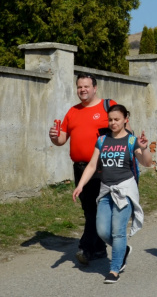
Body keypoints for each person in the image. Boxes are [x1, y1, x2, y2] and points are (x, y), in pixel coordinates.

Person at [72, 104, 153, 284]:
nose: (113, 123)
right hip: (106, 190)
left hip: (124, 191)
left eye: (117, 119)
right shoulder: (102, 140)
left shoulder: (132, 141)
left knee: (118, 231)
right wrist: (81, 185)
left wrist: (144, 148)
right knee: (101, 230)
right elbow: (92, 165)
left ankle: (114, 269)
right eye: (110, 120)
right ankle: (122, 250)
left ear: (125, 120)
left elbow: (147, 163)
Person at [49, 74, 112, 265]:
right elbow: (61, 140)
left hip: (102, 168)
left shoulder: (107, 107)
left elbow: (124, 130)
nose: (82, 90)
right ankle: (100, 248)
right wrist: (53, 137)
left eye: (86, 86)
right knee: (88, 209)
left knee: (96, 209)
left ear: (95, 88)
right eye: (79, 87)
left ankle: (86, 247)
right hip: (80, 168)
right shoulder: (72, 112)